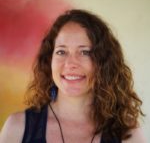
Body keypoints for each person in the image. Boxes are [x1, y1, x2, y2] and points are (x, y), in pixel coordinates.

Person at [0, 9, 146, 143]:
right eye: (61, 52)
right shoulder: (17, 128)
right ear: (49, 60)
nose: (70, 63)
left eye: (85, 52)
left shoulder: (128, 135)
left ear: (104, 62)